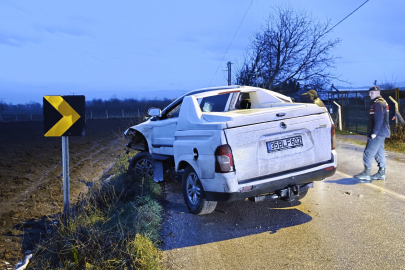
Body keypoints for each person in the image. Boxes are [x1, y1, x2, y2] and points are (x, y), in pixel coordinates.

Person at [354, 86, 390, 183]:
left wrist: (374, 132)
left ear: (378, 93)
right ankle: (381, 173)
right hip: (382, 132)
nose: (369, 95)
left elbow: (379, 119)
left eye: (372, 93)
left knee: (368, 152)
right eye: (369, 93)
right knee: (379, 153)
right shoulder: (381, 102)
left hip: (378, 132)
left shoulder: (378, 103)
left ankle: (366, 173)